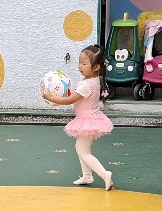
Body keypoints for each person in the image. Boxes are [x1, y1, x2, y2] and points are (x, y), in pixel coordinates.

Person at [43, 45, 114, 190]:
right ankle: (87, 176)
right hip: (92, 119)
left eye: (84, 63)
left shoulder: (86, 85)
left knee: (84, 152)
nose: (80, 66)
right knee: (82, 149)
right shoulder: (93, 80)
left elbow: (71, 99)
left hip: (87, 122)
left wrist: (51, 98)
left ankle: (104, 174)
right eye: (79, 62)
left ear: (96, 67)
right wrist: (57, 101)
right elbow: (76, 98)